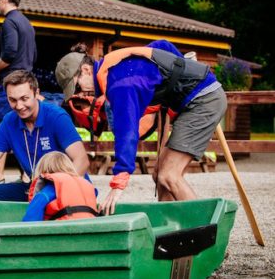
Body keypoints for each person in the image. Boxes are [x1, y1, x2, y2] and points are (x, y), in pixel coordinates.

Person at [58, 40, 227, 215]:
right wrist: (177, 73)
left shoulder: (119, 84)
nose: (81, 94)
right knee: (159, 175)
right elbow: (163, 46)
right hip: (197, 100)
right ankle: (171, 229)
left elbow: (127, 132)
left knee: (169, 175)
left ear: (86, 70)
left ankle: (204, 228)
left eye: (77, 86)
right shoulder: (117, 65)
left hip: (203, 100)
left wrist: (119, 181)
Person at [0, 70, 89, 207]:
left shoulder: (57, 116)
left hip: (69, 187)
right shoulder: (9, 121)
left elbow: (82, 160)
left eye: (24, 99)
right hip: (36, 188)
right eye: (12, 100)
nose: (19, 106)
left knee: (44, 201)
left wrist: (56, 190)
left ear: (37, 93)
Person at [0, 0, 37, 185]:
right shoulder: (26, 22)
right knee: (24, 125)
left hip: (12, 81)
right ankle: (27, 173)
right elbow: (33, 54)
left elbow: (9, 53)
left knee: (1, 125)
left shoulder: (9, 22)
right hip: (27, 79)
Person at [22, 151, 99, 222]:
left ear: (42, 171)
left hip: (65, 231)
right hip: (90, 229)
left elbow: (31, 219)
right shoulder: (86, 185)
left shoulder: (47, 191)